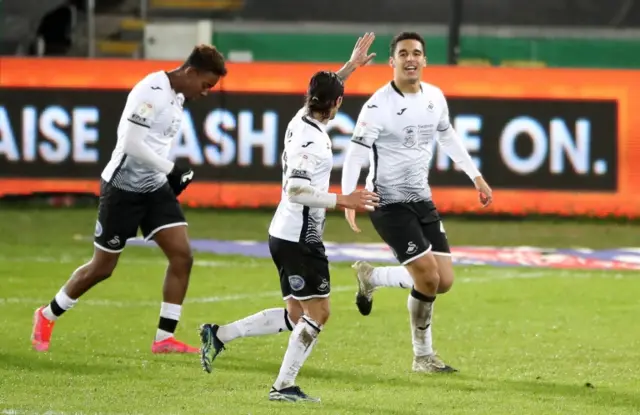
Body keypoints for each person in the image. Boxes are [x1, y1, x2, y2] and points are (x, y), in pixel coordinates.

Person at [199, 33, 379, 403]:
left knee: (296, 314)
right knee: (319, 313)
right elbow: (296, 191)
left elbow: (330, 92)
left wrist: (350, 67)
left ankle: (218, 335)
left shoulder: (301, 119)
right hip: (299, 238)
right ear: (337, 104)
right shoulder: (311, 141)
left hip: (284, 233)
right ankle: (282, 387)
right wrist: (342, 198)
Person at [30, 45, 228, 354]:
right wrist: (171, 168)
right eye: (206, 85)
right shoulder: (152, 91)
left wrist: (167, 174)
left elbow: (154, 143)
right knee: (102, 268)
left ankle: (164, 339)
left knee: (182, 255)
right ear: (191, 73)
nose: (205, 93)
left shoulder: (177, 95)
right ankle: (46, 314)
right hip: (122, 189)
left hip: (154, 187)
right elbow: (132, 144)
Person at [340, 32, 494, 373]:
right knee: (427, 279)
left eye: (417, 53)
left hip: (421, 200)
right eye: (404, 53)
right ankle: (422, 357)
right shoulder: (378, 105)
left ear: (425, 60)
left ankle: (373, 277)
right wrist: (349, 196)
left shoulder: (435, 98)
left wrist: (476, 176)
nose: (411, 59)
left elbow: (448, 136)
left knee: (444, 280)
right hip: (387, 203)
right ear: (391, 61)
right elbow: (356, 152)